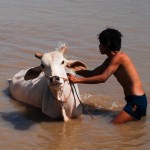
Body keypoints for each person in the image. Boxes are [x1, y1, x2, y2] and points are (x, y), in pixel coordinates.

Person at [67, 28, 147, 124]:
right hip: (135, 100)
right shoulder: (110, 60)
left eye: (100, 43)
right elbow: (93, 73)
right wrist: (73, 69)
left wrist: (77, 80)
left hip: (136, 102)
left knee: (113, 125)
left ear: (107, 44)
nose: (99, 46)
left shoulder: (119, 57)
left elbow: (103, 78)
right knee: (136, 128)